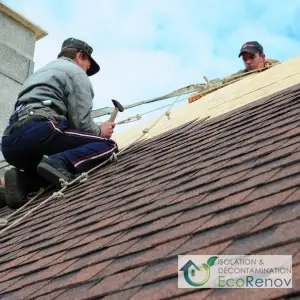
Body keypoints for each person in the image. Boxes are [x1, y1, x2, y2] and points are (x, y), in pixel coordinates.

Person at [0, 38, 118, 209]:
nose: (86, 70)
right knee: (107, 146)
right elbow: (82, 124)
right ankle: (59, 162)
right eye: (88, 66)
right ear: (80, 56)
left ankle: (22, 182)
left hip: (10, 144)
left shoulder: (38, 74)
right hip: (40, 130)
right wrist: (100, 131)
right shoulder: (75, 72)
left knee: (47, 171)